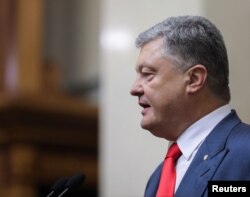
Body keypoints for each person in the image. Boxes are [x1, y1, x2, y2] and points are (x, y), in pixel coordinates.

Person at [130, 15, 250, 197]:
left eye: (148, 74)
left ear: (194, 79)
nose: (134, 88)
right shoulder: (157, 178)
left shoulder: (245, 151)